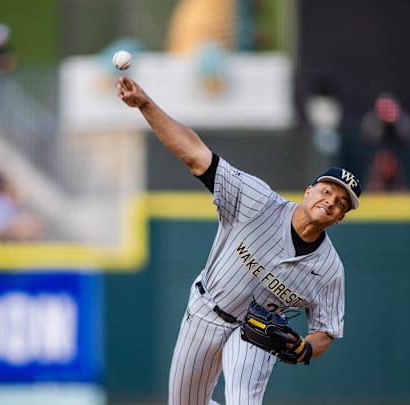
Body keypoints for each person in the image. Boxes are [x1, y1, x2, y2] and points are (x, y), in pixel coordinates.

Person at [116, 76, 361, 405]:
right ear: (309, 191)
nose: (331, 201)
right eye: (327, 190)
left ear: (340, 217)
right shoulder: (257, 201)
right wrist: (145, 104)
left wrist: (304, 349)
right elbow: (196, 156)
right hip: (206, 312)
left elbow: (326, 331)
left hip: (256, 333)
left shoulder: (329, 269)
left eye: (341, 203)